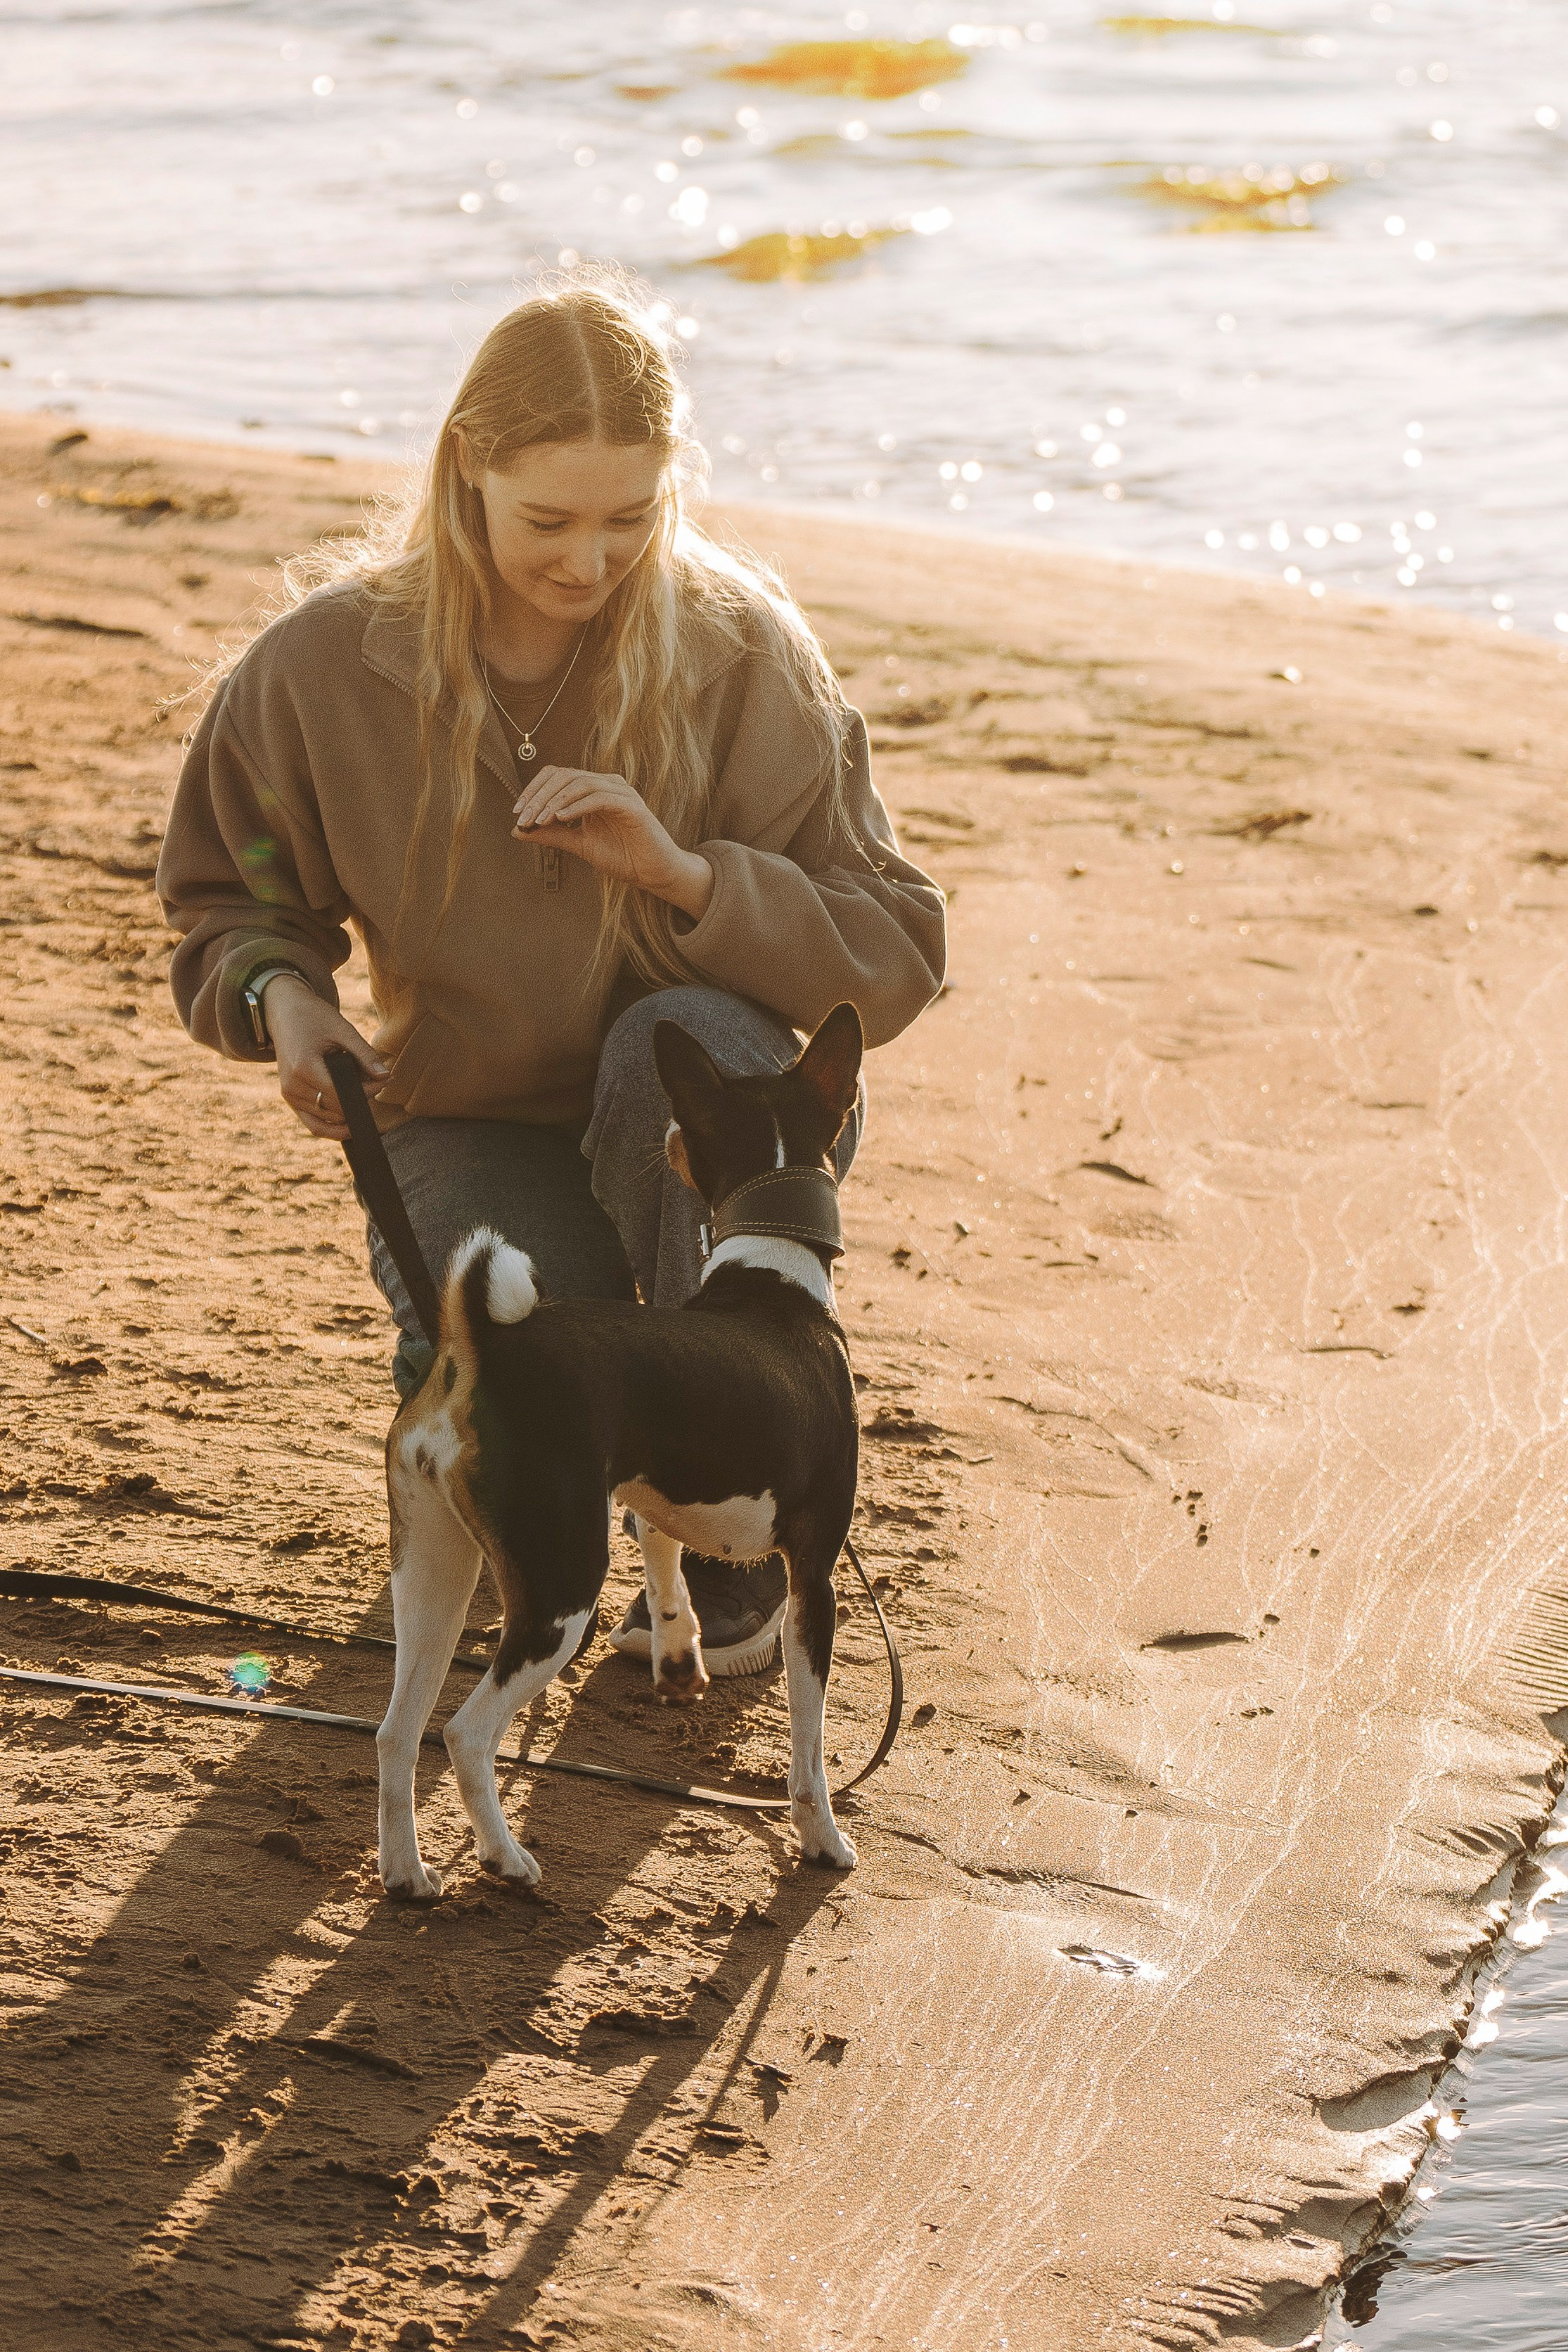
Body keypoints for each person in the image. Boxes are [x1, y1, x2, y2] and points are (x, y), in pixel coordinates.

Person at [157, 271, 946, 1675]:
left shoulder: (734, 649)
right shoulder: (323, 666)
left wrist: (681, 875)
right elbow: (231, 898)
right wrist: (286, 1001)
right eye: (550, 521)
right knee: (493, 1393)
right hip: (468, 1118)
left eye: (630, 519)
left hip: (709, 1113)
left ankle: (725, 1506)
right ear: (467, 468)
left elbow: (892, 950)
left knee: (668, 1038)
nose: (590, 561)